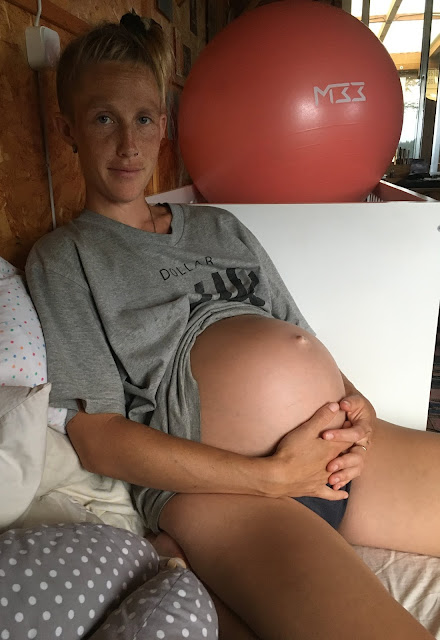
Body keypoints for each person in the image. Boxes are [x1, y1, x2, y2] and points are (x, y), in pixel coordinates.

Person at [25, 11, 440, 640]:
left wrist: (359, 406)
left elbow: (298, 331)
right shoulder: (67, 259)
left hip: (334, 456)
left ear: (163, 126)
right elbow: (97, 437)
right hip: (228, 493)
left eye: (143, 119)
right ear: (69, 130)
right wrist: (274, 477)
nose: (128, 144)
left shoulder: (219, 226)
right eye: (104, 119)